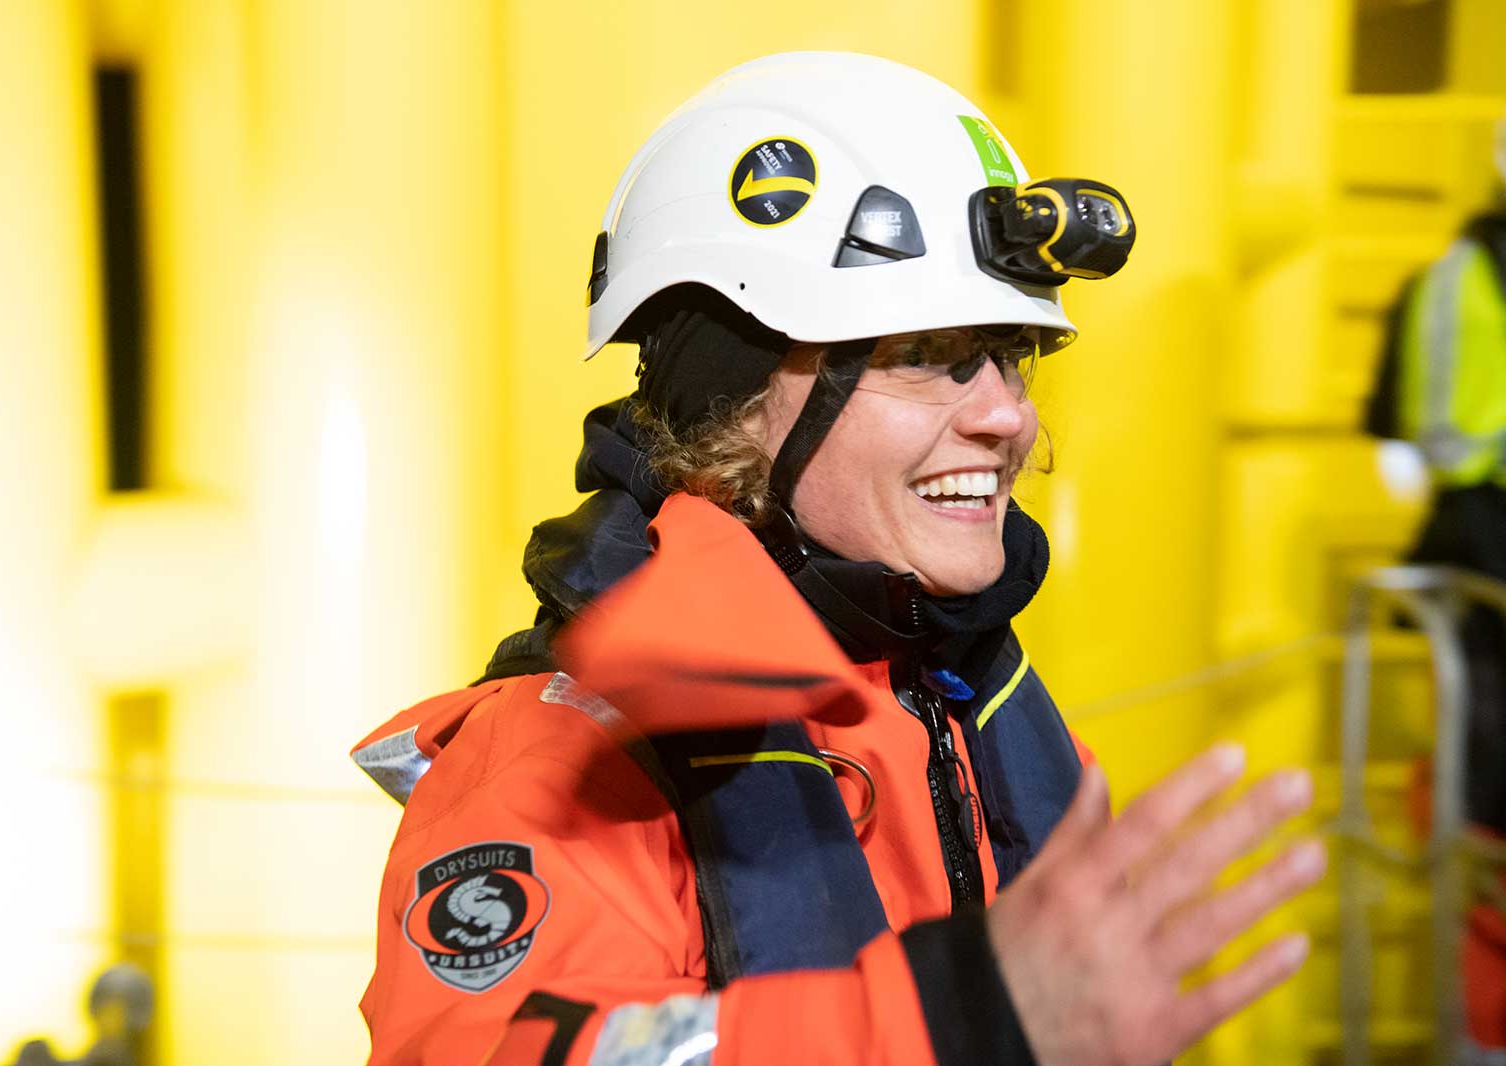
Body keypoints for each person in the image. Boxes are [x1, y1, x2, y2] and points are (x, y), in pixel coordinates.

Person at [354, 52, 1323, 1066]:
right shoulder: (567, 762)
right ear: (732, 406)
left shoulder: (982, 718)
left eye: (1009, 357)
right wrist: (948, 1024)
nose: (1006, 415)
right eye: (922, 355)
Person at [1363, 110, 1506, 1059]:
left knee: (1475, 802)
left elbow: (1401, 453)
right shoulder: (1453, 282)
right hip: (1483, 562)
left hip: (1473, 555)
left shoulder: (1447, 280)